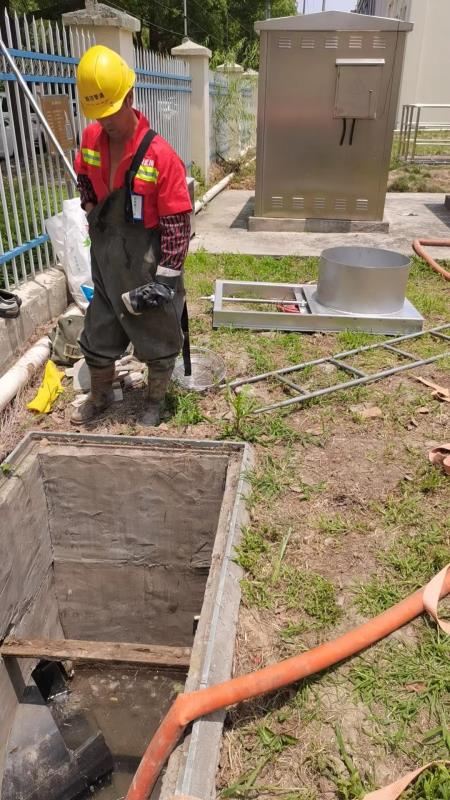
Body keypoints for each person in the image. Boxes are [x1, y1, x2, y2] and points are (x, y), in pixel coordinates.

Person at [72, 44, 192, 427]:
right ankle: (101, 394)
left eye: (111, 111)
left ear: (129, 96)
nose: (106, 122)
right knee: (100, 326)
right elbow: (85, 182)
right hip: (106, 258)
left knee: (155, 331)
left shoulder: (159, 155)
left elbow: (177, 222)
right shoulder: (90, 140)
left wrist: (166, 281)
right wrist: (91, 208)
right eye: (99, 114)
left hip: (145, 261)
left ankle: (155, 401)